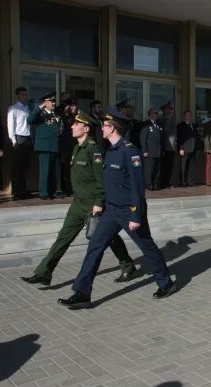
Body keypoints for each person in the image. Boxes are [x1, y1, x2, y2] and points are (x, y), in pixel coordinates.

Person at [57, 107, 176, 308]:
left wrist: (136, 216)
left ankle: (166, 283)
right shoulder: (110, 151)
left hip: (129, 210)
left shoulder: (130, 151)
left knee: (147, 246)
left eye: (104, 125)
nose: (101, 128)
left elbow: (138, 188)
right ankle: (82, 292)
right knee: (94, 247)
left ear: (112, 128)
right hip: (111, 211)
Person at [21, 110, 136, 286]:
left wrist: (99, 203)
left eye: (76, 124)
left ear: (86, 128)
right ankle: (43, 272)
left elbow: (101, 180)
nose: (72, 126)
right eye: (73, 124)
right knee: (63, 238)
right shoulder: (77, 148)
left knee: (109, 238)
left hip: (93, 205)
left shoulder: (94, 150)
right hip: (78, 204)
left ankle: (128, 266)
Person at [28, 92, 62, 200]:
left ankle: (51, 191)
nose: (53, 103)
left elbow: (58, 129)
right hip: (44, 146)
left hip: (54, 146)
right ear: (45, 103)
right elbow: (30, 120)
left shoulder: (55, 115)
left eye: (54, 101)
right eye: (51, 101)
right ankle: (43, 192)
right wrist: (40, 107)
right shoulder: (41, 114)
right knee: (44, 171)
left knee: (52, 171)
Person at [7, 87, 32, 200]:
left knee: (25, 166)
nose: (25, 96)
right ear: (17, 96)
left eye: (26, 94)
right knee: (17, 166)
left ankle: (23, 190)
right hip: (19, 138)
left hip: (28, 138)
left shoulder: (27, 108)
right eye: (22, 94)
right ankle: (17, 191)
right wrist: (13, 140)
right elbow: (10, 125)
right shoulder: (13, 109)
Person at [57, 98, 78, 196]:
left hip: (75, 145)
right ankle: (66, 188)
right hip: (66, 145)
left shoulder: (77, 117)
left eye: (75, 105)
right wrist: (64, 111)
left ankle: (73, 188)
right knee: (66, 167)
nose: (74, 107)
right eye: (72, 106)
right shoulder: (64, 116)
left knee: (74, 167)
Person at [140, 108, 163, 190]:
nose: (156, 115)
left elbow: (161, 138)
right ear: (150, 114)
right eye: (154, 113)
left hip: (158, 151)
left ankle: (156, 183)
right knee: (149, 169)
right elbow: (143, 138)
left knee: (157, 169)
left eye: (156, 113)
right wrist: (144, 151)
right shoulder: (146, 124)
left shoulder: (158, 124)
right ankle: (149, 184)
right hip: (149, 152)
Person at [176, 109, 198, 187]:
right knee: (183, 166)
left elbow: (195, 137)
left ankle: (190, 181)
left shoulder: (193, 125)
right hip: (184, 149)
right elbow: (179, 138)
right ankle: (183, 181)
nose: (189, 117)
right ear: (184, 116)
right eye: (187, 115)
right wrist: (181, 148)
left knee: (191, 167)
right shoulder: (180, 125)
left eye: (190, 115)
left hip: (193, 149)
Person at [160, 101, 177, 189]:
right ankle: (164, 183)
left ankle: (168, 182)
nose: (171, 111)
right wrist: (169, 119)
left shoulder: (171, 119)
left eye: (171, 109)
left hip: (172, 147)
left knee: (170, 166)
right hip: (166, 147)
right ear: (165, 110)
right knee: (165, 166)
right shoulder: (165, 120)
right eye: (169, 109)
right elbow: (165, 131)